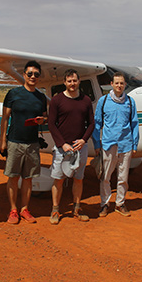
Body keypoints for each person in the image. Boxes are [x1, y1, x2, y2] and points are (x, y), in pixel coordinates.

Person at [0, 61, 47, 225]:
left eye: (36, 74)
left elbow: (46, 117)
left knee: (28, 179)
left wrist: (43, 119)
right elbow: (5, 118)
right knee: (13, 177)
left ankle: (24, 209)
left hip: (32, 144)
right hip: (14, 142)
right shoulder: (13, 94)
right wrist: (2, 140)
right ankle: (13, 210)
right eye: (30, 73)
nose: (33, 77)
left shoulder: (40, 97)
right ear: (24, 74)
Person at [47, 69, 94, 225]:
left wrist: (83, 140)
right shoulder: (56, 100)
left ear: (79, 81)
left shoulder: (86, 100)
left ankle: (77, 208)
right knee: (58, 180)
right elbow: (51, 124)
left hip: (80, 147)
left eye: (75, 80)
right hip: (63, 148)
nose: (72, 84)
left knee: (78, 179)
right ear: (64, 82)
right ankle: (55, 209)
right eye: (69, 81)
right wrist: (62, 144)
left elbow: (91, 123)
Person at [92, 72, 139, 218]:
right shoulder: (104, 101)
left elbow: (134, 124)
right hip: (108, 144)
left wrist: (135, 144)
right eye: (116, 83)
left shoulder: (130, 102)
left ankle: (120, 203)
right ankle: (104, 204)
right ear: (111, 84)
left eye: (122, 83)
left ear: (125, 85)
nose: (119, 86)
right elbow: (97, 122)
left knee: (123, 177)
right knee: (106, 176)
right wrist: (96, 143)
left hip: (126, 144)